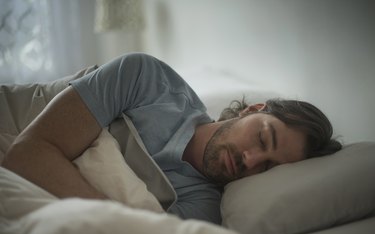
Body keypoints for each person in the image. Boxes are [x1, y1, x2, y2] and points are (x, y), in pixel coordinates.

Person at [1, 53, 341, 224]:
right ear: (251, 109)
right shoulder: (149, 80)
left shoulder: (202, 208)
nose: (250, 160)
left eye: (267, 168)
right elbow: (26, 154)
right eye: (263, 139)